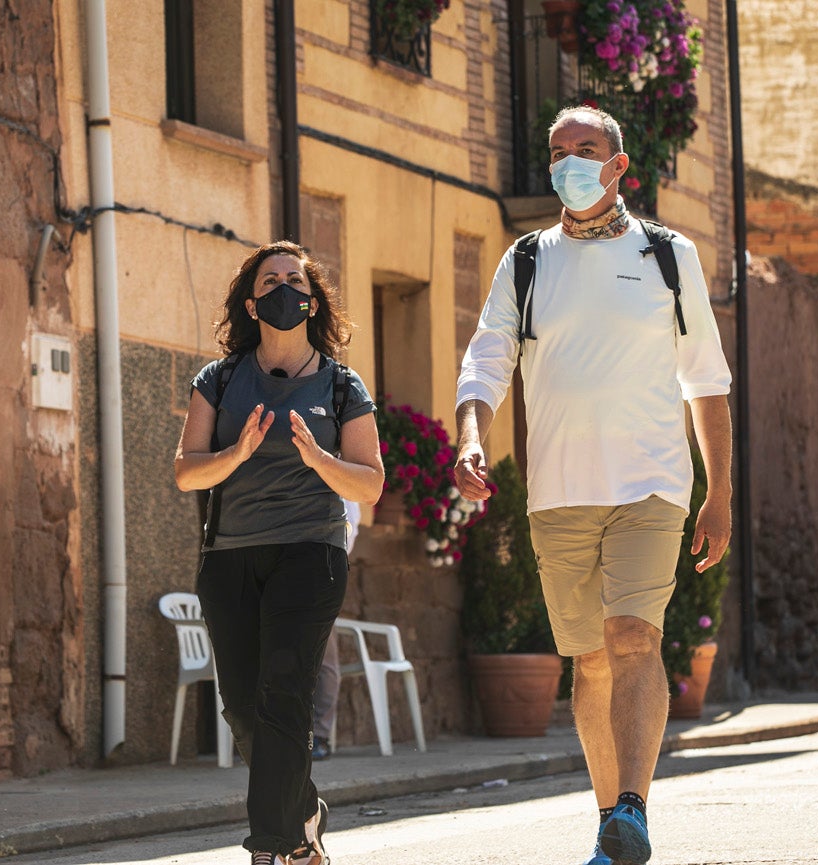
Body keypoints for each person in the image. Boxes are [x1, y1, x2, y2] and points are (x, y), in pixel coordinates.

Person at [453, 105, 732, 865]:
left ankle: (635, 807)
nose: (569, 162)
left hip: (652, 486)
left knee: (635, 636)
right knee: (590, 659)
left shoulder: (669, 255)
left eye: (586, 149)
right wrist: (471, 435)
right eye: (558, 151)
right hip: (559, 493)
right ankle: (611, 824)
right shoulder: (528, 260)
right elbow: (485, 359)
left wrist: (719, 493)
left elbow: (706, 382)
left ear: (618, 165)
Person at [174, 241, 384, 865]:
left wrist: (321, 460)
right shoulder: (219, 380)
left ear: (313, 301)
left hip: (309, 554)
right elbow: (186, 472)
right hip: (231, 555)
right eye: (271, 280)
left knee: (285, 691)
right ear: (252, 300)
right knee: (243, 704)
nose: (284, 288)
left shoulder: (342, 385)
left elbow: (370, 482)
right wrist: (236, 454)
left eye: (296, 280)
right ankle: (304, 812)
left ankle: (271, 847)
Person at [310, 498, 361, 761]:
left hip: (321, 567)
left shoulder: (340, 468)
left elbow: (350, 526)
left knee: (325, 658)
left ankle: (319, 735)